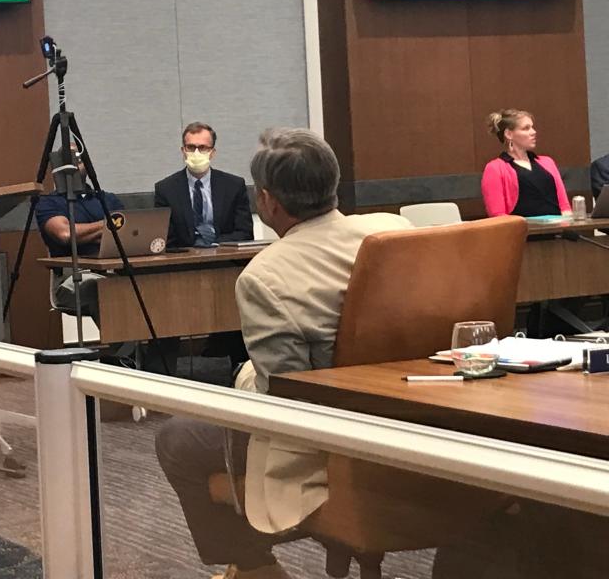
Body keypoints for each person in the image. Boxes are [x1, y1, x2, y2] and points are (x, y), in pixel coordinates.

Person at [156, 128, 410, 579]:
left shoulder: (265, 276)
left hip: (326, 438)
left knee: (176, 437)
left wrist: (244, 378)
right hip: (408, 419)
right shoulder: (393, 232)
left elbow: (285, 402)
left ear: (268, 201)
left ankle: (256, 567)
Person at [35, 145, 123, 326]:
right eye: (67, 160)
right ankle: (124, 350)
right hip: (73, 278)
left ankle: (155, 349)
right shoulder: (48, 203)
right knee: (99, 288)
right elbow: (65, 233)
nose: (74, 165)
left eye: (79, 159)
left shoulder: (107, 199)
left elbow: (126, 232)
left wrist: (86, 232)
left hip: (114, 271)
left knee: (152, 283)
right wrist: (107, 225)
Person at [155, 122, 254, 248]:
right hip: (184, 260)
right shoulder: (166, 189)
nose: (196, 153)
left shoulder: (234, 186)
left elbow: (245, 233)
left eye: (202, 148)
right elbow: (165, 238)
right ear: (183, 151)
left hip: (225, 257)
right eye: (190, 147)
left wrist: (214, 242)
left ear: (212, 152)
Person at [481, 109, 570, 218]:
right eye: (526, 128)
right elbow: (498, 215)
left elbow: (565, 207)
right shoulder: (495, 168)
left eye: (532, 127)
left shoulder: (548, 162)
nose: (533, 132)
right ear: (509, 134)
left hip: (558, 231)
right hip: (521, 232)